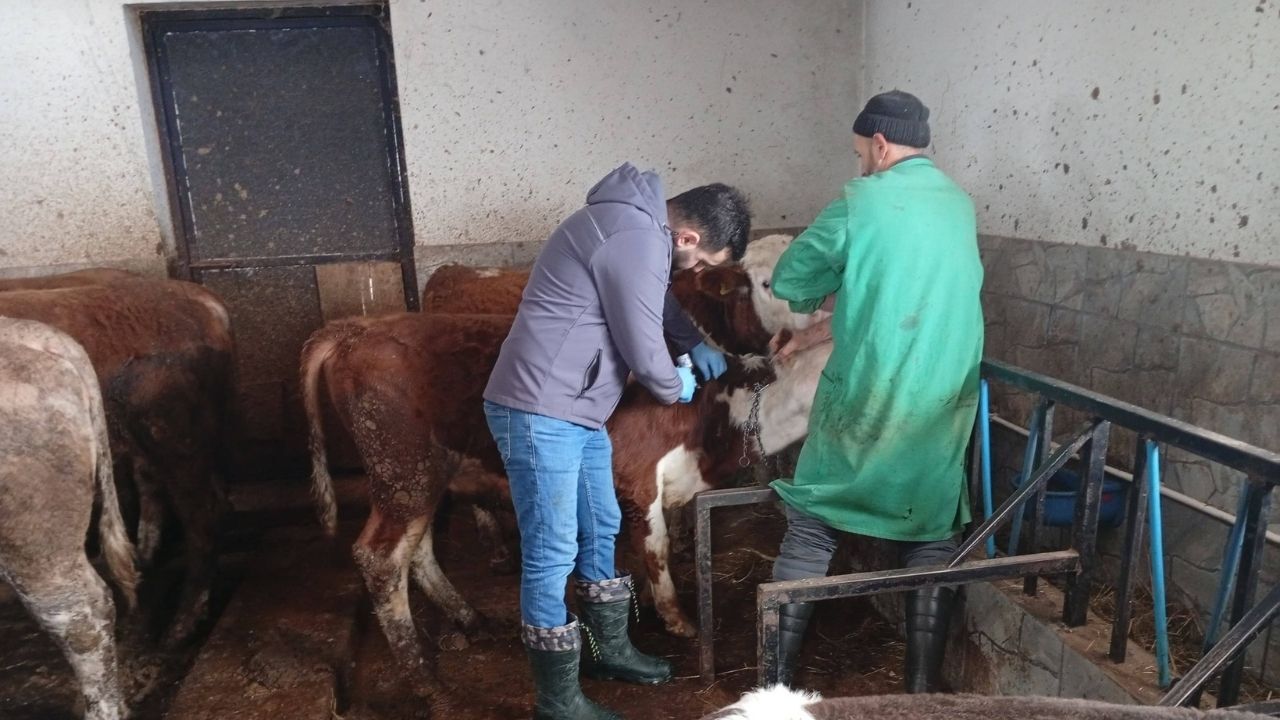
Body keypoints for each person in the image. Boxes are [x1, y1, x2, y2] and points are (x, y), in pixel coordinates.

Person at [483, 162, 751, 719]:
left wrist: (687, 341)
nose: (694, 269)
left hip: (576, 407)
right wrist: (672, 381)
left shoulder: (636, 228)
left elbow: (657, 304)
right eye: (700, 260)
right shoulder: (634, 235)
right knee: (552, 550)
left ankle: (608, 651)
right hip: (540, 409)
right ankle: (556, 702)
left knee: (601, 523)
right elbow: (638, 334)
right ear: (689, 237)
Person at [766, 90, 984, 693]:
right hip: (943, 403)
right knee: (931, 530)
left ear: (880, 147)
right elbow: (901, 300)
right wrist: (821, 328)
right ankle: (919, 691)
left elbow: (792, 277)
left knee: (811, 520)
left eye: (861, 152)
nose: (861, 161)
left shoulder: (862, 198)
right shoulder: (959, 205)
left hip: (869, 399)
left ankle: (775, 685)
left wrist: (818, 296)